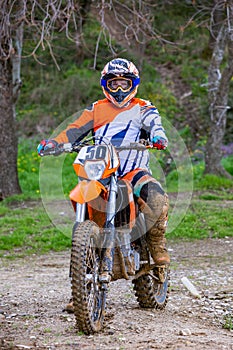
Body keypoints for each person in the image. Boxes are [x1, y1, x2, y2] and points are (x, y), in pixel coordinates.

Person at [38, 58, 170, 310]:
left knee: (156, 196)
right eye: (114, 83)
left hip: (133, 171)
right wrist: (55, 142)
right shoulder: (96, 109)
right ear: (105, 85)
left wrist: (158, 136)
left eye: (124, 83)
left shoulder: (143, 107)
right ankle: (79, 288)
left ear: (133, 84)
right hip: (101, 171)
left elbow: (155, 123)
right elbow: (74, 129)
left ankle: (155, 244)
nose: (119, 89)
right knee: (83, 204)